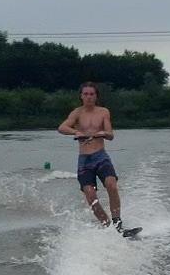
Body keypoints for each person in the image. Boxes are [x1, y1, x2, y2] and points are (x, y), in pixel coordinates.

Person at [58, 82, 139, 237]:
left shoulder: (103, 112)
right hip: (84, 160)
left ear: (96, 96)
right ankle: (107, 226)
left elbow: (110, 134)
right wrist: (76, 132)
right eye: (86, 94)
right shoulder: (76, 113)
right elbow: (62, 128)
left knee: (111, 184)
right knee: (90, 195)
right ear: (81, 96)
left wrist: (103, 133)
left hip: (100, 156)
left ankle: (118, 224)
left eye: (92, 94)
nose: (89, 97)